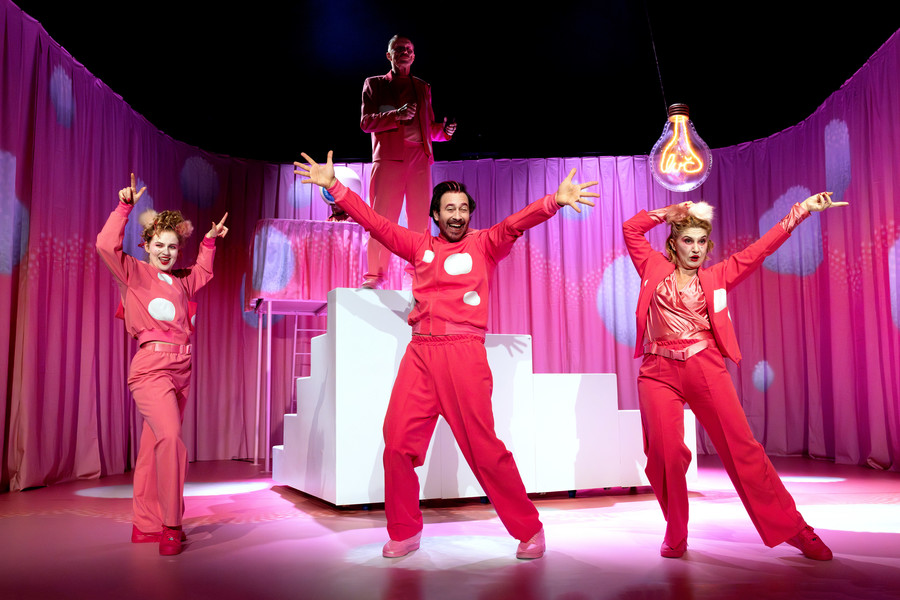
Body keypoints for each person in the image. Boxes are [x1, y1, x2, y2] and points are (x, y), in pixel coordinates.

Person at [295, 151, 598, 559]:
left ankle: (529, 529)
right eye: (449, 209)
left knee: (484, 450)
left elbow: (514, 224)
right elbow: (377, 224)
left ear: (470, 214)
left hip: (463, 354)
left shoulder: (485, 244)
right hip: (420, 353)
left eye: (463, 209)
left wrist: (553, 202)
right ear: (436, 215)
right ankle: (405, 531)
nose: (457, 215)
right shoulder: (419, 245)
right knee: (397, 443)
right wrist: (334, 187)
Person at [622, 192, 847, 560]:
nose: (695, 249)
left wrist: (802, 211)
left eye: (701, 242)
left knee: (743, 450)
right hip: (657, 371)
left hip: (704, 366)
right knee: (664, 454)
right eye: (687, 240)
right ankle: (676, 530)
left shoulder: (717, 276)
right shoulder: (652, 266)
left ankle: (795, 529)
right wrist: (668, 212)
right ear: (674, 244)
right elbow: (631, 229)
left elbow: (760, 250)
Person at [96, 174, 228, 556]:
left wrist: (209, 241)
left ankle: (145, 524)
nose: (166, 252)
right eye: (159, 245)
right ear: (147, 245)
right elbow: (105, 244)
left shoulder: (181, 281)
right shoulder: (133, 272)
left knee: (153, 445)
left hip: (182, 368)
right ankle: (171, 525)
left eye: (172, 246)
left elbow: (203, 272)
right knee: (170, 438)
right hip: (151, 368)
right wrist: (124, 207)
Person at [359, 34, 456, 289]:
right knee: (382, 219)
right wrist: (396, 115)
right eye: (399, 48)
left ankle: (416, 273)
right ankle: (375, 276)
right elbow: (366, 122)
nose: (405, 52)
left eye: (409, 49)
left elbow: (428, 128)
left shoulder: (423, 87)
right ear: (389, 55)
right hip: (390, 158)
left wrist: (444, 132)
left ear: (414, 56)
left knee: (420, 220)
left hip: (419, 158)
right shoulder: (374, 84)